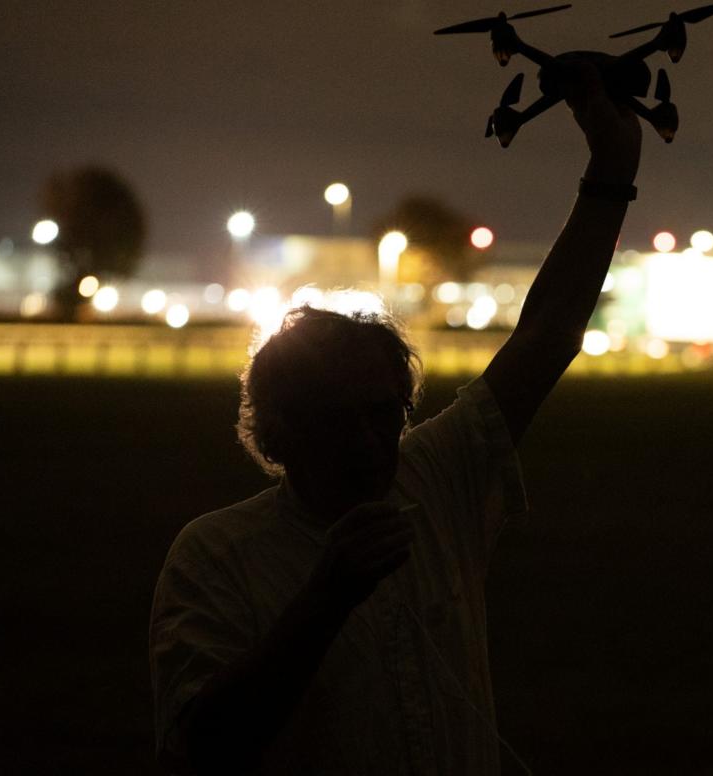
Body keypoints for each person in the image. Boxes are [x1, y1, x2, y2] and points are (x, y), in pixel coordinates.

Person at [149, 61, 642, 775]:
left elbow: (546, 336)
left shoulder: (436, 477)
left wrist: (612, 167)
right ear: (278, 434)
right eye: (337, 418)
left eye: (387, 412)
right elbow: (202, 746)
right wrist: (327, 596)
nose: (372, 440)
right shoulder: (216, 557)